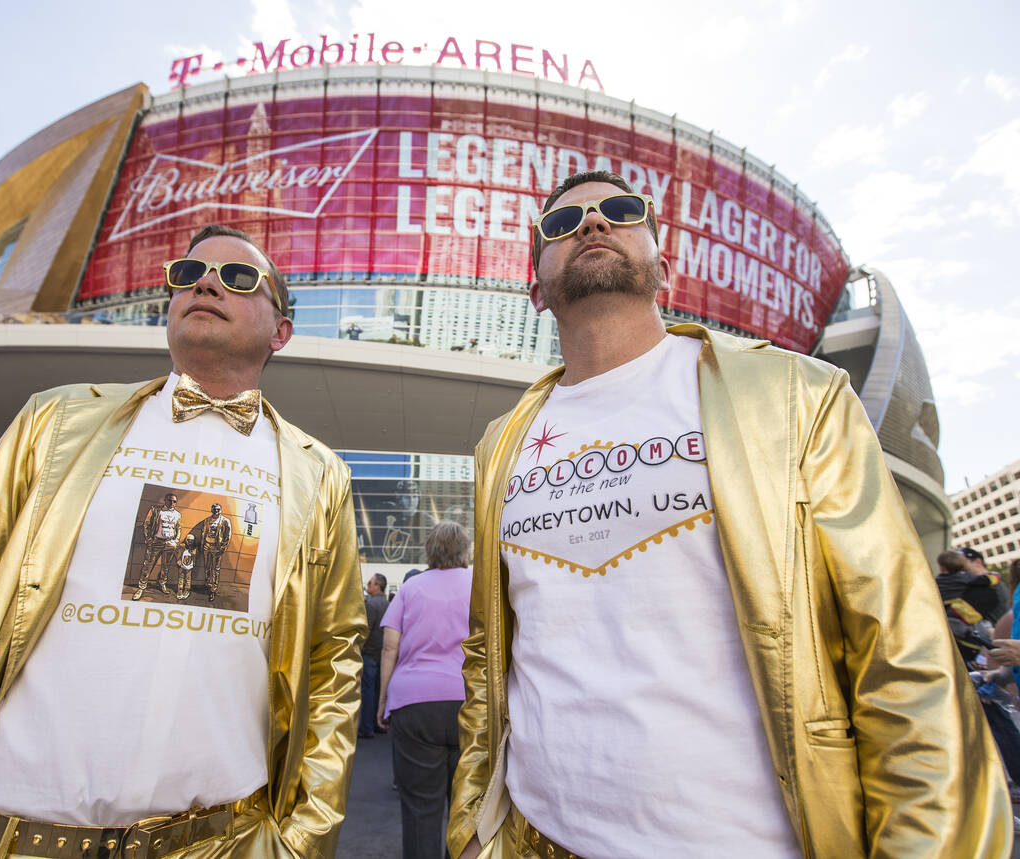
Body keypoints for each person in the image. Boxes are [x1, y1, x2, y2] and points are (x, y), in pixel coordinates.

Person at [448, 170, 1011, 859]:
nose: (592, 225)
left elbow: (901, 651)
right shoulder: (501, 443)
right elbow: (489, 655)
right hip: (540, 838)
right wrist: (473, 826)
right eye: (562, 225)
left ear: (664, 265)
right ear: (536, 289)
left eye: (620, 212)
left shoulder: (795, 394)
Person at [0, 225, 367, 858]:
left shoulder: (318, 471)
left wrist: (302, 841)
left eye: (239, 278)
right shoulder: (55, 424)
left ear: (280, 330)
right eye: (188, 273)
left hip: (227, 844)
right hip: (10, 842)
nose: (206, 282)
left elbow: (332, 662)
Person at [378, 521, 473, 859]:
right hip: (469, 702)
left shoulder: (411, 588)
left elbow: (390, 647)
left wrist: (384, 700)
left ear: (429, 551)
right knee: (470, 808)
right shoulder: (479, 585)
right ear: (465, 550)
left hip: (414, 701)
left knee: (420, 809)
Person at [135, 491, 182, 599]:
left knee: (165, 566)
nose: (172, 503)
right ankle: (141, 587)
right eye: (170, 500)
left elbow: (179, 528)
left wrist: (176, 541)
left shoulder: (178, 514)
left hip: (170, 543)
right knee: (148, 565)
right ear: (165, 500)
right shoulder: (156, 510)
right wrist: (149, 539)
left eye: (174, 501)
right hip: (156, 542)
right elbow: (147, 524)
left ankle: (162, 583)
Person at [359, 573, 389, 739]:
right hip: (382, 653)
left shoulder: (371, 605)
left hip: (370, 653)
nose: (368, 586)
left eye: (370, 583)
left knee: (368, 692)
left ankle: (367, 727)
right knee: (379, 690)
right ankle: (378, 724)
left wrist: (360, 647)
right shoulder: (387, 603)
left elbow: (367, 630)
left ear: (377, 586)